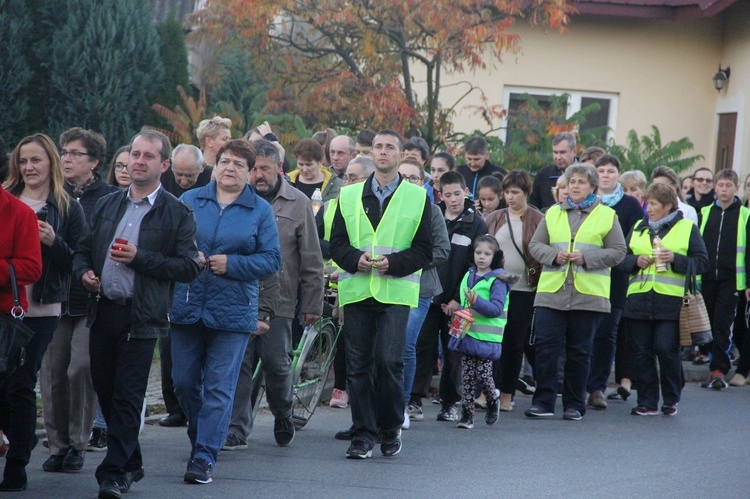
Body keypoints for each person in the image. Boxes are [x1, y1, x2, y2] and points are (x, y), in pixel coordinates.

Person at [73, 129, 200, 498]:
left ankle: (113, 472)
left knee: (128, 394)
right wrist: (85, 273)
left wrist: (140, 259)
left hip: (142, 317)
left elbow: (190, 266)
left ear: (164, 166)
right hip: (103, 310)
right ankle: (131, 459)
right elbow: (82, 249)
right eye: (134, 155)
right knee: (107, 391)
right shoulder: (109, 204)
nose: (138, 161)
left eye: (148, 156)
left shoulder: (177, 212)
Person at [169, 139, 281, 484]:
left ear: (249, 174)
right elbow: (170, 246)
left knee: (219, 387)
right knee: (183, 383)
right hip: (187, 307)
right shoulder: (189, 201)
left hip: (233, 312)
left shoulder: (259, 210)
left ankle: (204, 456)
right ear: (213, 167)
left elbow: (272, 259)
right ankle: (202, 437)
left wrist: (231, 264)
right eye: (225, 161)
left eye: (239, 164)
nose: (230, 168)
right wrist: (189, 260)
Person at [329, 129, 432, 459]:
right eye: (378, 147)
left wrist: (394, 263)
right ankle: (362, 434)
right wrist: (353, 260)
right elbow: (337, 245)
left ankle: (390, 428)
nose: (383, 152)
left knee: (388, 363)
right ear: (371, 153)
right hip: (357, 289)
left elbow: (424, 249)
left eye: (390, 147)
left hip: (395, 291)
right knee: (358, 366)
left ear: (401, 155)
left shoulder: (417, 197)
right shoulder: (348, 196)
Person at [225, 139, 323, 450]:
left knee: (276, 363)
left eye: (264, 169)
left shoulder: (297, 203)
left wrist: (311, 303)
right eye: (252, 169)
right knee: (239, 363)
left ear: (278, 168)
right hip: (238, 296)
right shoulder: (234, 199)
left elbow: (311, 257)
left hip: (280, 300)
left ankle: (283, 412)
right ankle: (237, 429)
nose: (257, 175)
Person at [1, 134, 84, 492]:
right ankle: (19, 438)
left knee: (21, 381)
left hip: (39, 307)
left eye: (36, 160)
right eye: (23, 161)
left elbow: (79, 260)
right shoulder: (9, 199)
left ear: (51, 162)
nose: (29, 168)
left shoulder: (67, 206)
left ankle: (18, 456)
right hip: (5, 307)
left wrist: (54, 242)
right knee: (7, 384)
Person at [526, 163, 626, 421]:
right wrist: (553, 255)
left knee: (580, 352)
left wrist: (587, 257)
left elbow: (618, 252)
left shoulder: (607, 215)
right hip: (551, 293)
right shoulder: (552, 213)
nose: (576, 186)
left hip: (588, 296)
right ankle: (543, 402)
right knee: (546, 350)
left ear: (593, 186)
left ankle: (574, 404)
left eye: (581, 182)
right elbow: (535, 245)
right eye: (572, 182)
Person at [42, 128, 117, 459]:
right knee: (53, 373)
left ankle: (78, 441)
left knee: (80, 369)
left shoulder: (110, 199)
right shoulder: (50, 195)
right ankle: (57, 444)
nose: (66, 159)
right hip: (53, 296)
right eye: (63, 152)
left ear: (96, 162)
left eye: (75, 154)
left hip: (90, 298)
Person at [619, 183, 707, 415]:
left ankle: (671, 397)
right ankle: (647, 402)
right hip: (639, 301)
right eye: (647, 203)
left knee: (666, 349)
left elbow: (702, 263)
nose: (648, 208)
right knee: (642, 352)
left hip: (671, 302)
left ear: (668, 206)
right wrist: (634, 261)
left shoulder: (687, 228)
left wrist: (675, 259)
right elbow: (621, 259)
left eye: (654, 204)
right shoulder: (638, 227)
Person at [411, 171, 487, 422]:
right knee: (421, 346)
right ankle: (414, 399)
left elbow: (474, 265)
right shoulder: (432, 216)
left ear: (466, 192)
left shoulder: (476, 223)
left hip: (458, 300)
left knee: (453, 350)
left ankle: (449, 402)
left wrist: (457, 298)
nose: (453, 199)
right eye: (448, 195)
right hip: (428, 295)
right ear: (439, 194)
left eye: (458, 194)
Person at [585, 155, 643, 410]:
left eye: (610, 171)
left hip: (616, 280)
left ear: (618, 174)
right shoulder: (586, 201)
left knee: (607, 335)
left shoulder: (629, 205)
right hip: (586, 277)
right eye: (601, 170)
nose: (606, 175)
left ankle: (597, 387)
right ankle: (578, 385)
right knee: (584, 334)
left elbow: (631, 243)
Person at [397, 160, 450, 430]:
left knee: (406, 344)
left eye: (414, 178)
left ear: (423, 182)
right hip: (388, 285)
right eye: (403, 177)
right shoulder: (388, 208)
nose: (407, 182)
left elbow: (442, 250)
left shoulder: (431, 211)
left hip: (420, 288)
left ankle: (404, 405)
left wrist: (409, 261)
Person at [485, 170, 543, 412]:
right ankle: (487, 391)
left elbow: (541, 253)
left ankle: (507, 393)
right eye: (507, 192)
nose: (510, 197)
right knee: (490, 339)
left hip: (523, 289)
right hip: (496, 287)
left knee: (513, 343)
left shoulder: (537, 219)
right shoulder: (495, 217)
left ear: (526, 193)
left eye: (515, 192)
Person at [450, 236, 516, 429]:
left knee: (483, 374)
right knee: (467, 376)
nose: (482, 257)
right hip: (467, 333)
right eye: (478, 252)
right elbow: (464, 300)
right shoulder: (469, 273)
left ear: (495, 257)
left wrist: (476, 301)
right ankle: (467, 416)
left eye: (487, 254)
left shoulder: (498, 280)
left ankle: (492, 400)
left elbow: (496, 308)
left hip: (487, 336)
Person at [698, 169, 750, 390]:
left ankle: (718, 369)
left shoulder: (745, 214)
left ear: (736, 188)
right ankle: (714, 363)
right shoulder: (705, 212)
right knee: (707, 323)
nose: (724, 190)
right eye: (721, 185)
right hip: (707, 276)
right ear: (715, 187)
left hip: (732, 278)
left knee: (722, 324)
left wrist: (748, 282)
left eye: (729, 185)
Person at [529, 132, 577, 210]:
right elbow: (533, 207)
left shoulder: (588, 174)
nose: (558, 157)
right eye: (555, 152)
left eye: (562, 152)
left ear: (574, 151)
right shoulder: (543, 175)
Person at [288, 139, 343, 203]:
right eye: (301, 164)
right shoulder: (287, 182)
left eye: (309, 165)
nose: (304, 169)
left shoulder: (335, 184)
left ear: (320, 161)